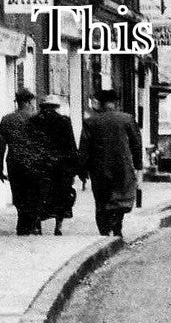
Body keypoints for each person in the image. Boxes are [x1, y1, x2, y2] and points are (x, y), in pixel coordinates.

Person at [79, 89, 142, 238]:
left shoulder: (90, 121)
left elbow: (84, 148)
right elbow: (136, 144)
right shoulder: (127, 119)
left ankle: (104, 232)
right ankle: (117, 226)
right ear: (116, 103)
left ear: (100, 104)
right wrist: (138, 166)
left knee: (101, 201)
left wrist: (82, 170)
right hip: (122, 166)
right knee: (120, 198)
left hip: (99, 169)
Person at [0, 88, 44, 235]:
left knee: (19, 196)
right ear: (28, 101)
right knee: (34, 195)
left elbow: (0, 147)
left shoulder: (7, 119)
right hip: (35, 164)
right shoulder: (37, 119)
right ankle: (34, 225)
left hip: (15, 165)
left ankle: (23, 225)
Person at [31, 94, 82, 236]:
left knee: (39, 195)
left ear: (43, 107)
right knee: (61, 196)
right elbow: (71, 145)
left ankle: (37, 225)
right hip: (61, 167)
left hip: (41, 165)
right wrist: (74, 168)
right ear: (56, 107)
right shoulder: (64, 121)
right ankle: (58, 226)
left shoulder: (34, 121)